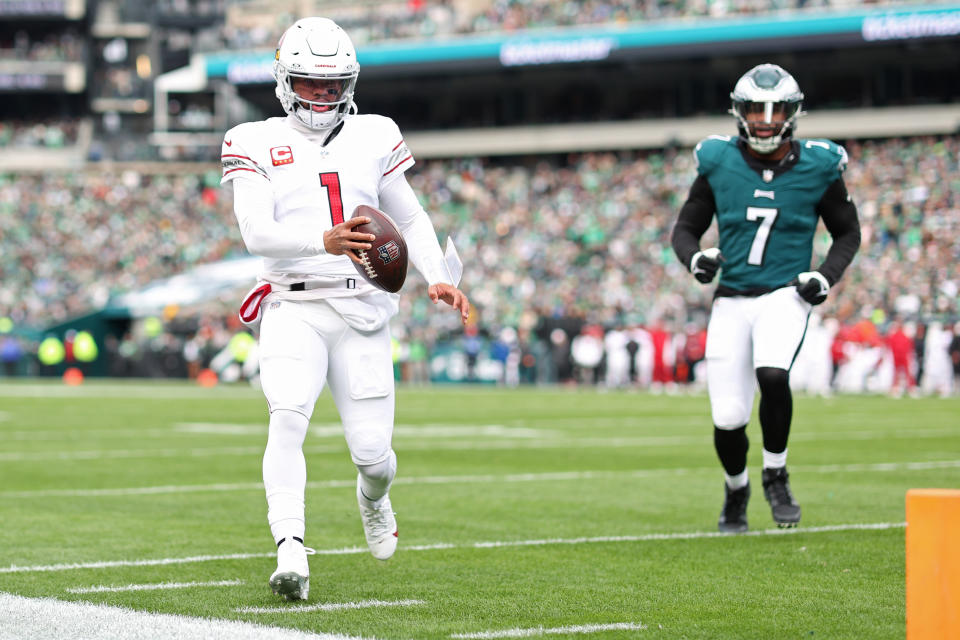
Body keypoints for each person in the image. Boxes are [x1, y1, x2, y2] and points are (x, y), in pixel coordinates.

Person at [221, 17, 470, 601]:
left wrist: (438, 276)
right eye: (311, 83)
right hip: (293, 303)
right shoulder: (252, 138)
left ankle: (375, 498)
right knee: (287, 416)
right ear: (285, 82)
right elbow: (256, 232)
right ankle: (290, 548)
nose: (324, 96)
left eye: (335, 85)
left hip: (363, 309)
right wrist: (321, 243)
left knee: (373, 456)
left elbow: (408, 216)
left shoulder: (375, 132)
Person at [671, 64, 860, 533]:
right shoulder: (718, 159)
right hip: (732, 298)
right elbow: (686, 228)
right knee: (728, 416)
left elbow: (847, 233)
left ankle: (776, 472)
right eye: (757, 108)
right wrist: (695, 260)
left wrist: (825, 276)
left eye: (775, 110)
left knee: (773, 373)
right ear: (740, 112)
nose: (765, 119)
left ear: (792, 114)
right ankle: (737, 490)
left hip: (785, 293)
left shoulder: (820, 164)